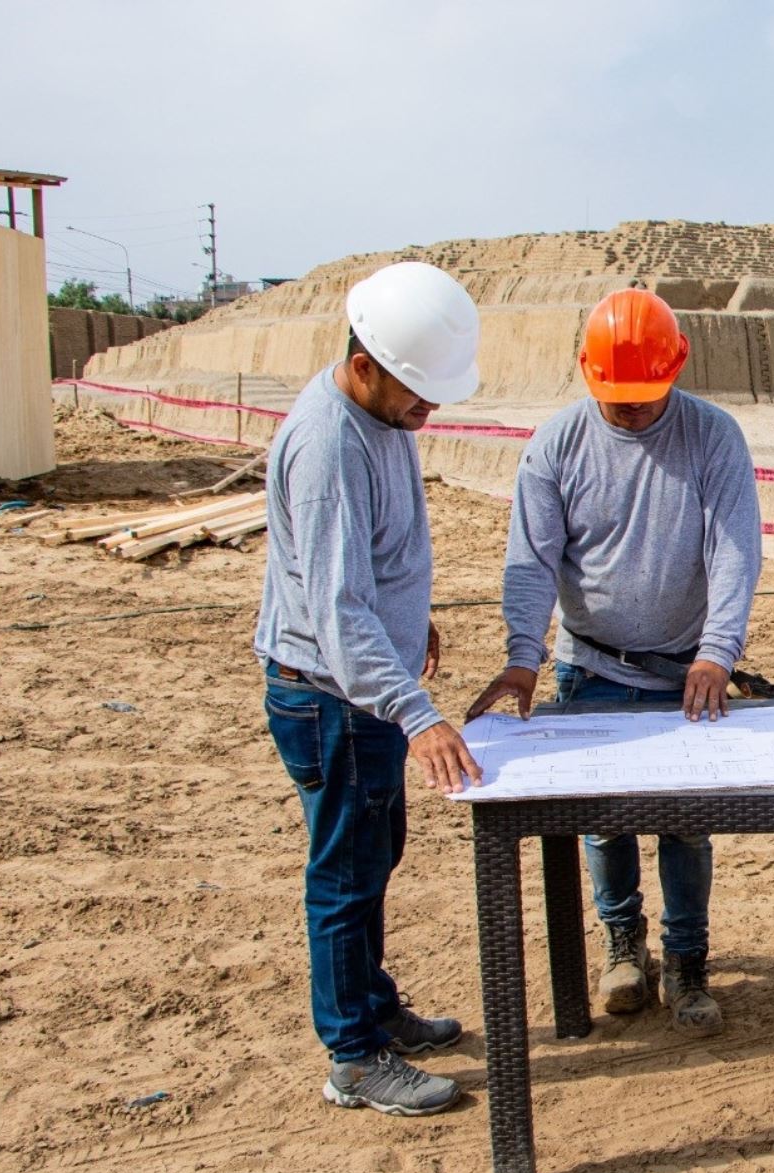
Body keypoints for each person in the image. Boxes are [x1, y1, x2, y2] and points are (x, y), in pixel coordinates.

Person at [469, 288, 762, 1036]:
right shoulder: (556, 446)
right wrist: (521, 658)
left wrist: (717, 653)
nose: (630, 411)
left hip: (684, 673)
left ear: (677, 370)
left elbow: (734, 552)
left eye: (644, 397)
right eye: (616, 398)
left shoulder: (712, 437)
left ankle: (688, 962)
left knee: (688, 821)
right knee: (604, 822)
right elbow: (532, 563)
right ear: (584, 372)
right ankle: (622, 945)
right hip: (592, 666)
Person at [255, 261, 484, 1116]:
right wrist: (418, 714)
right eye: (418, 391)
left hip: (362, 690)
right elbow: (337, 608)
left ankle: (375, 1010)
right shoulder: (326, 445)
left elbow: (373, 573)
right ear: (363, 366)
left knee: (371, 858)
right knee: (345, 874)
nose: (431, 411)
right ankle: (353, 1054)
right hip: (332, 698)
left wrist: (409, 617)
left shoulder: (381, 420)